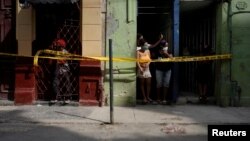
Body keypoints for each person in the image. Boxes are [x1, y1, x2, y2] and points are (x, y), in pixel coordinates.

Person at [49, 38, 72, 105]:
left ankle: (67, 97)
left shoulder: (65, 52)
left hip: (64, 68)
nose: (57, 46)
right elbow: (50, 62)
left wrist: (57, 58)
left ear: (62, 46)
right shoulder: (54, 52)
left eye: (59, 45)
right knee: (55, 82)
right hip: (56, 68)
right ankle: (55, 97)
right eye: (57, 45)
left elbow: (63, 61)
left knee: (66, 81)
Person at [154, 40, 173, 105]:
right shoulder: (158, 52)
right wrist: (162, 54)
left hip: (168, 70)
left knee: (166, 84)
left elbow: (172, 58)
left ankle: (164, 99)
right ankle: (158, 99)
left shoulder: (169, 51)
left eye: (167, 45)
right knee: (159, 84)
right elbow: (156, 60)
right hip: (159, 70)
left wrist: (166, 54)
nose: (167, 46)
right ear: (162, 46)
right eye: (165, 45)